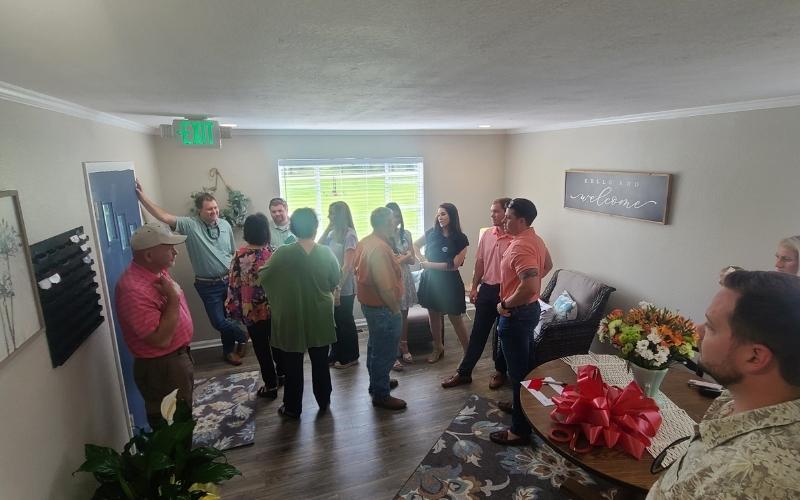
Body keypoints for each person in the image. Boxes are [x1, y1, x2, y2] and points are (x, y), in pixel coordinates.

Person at [647, 270, 800, 499]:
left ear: (755, 357)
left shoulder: (741, 480)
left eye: (711, 327)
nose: (697, 331)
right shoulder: (738, 396)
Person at [135, 180, 248, 366]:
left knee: (229, 319)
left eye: (215, 208)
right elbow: (164, 217)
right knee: (218, 322)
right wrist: (142, 197)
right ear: (199, 211)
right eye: (209, 209)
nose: (214, 211)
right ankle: (243, 336)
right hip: (208, 285)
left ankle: (229, 352)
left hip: (229, 281)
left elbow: (231, 252)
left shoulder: (225, 225)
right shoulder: (190, 225)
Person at [259, 208, 340, 418]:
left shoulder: (283, 253)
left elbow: (264, 276)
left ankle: (293, 407)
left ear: (293, 228)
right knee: (320, 361)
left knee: (292, 364)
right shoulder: (326, 253)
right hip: (320, 313)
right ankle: (324, 400)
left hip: (291, 314)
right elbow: (334, 280)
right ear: (315, 227)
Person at [115, 223, 193, 427]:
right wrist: (174, 299)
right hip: (162, 368)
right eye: (169, 248)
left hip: (174, 360)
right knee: (172, 425)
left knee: (182, 415)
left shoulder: (158, 272)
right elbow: (160, 339)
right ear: (149, 256)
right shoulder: (133, 290)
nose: (175, 252)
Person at [489, 198, 552, 446]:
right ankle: (521, 407)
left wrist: (506, 304)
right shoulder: (535, 239)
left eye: (509, 217)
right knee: (525, 367)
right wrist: (524, 288)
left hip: (516, 314)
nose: (504, 220)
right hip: (529, 310)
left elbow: (530, 286)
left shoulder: (521, 247)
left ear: (522, 221)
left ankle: (519, 431)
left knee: (518, 374)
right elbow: (547, 265)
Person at [442, 198, 512, 390]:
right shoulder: (487, 234)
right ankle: (464, 373)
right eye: (491, 211)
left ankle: (500, 372)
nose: (492, 215)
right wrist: (474, 287)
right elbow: (480, 262)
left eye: (496, 211)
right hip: (487, 289)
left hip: (508, 293)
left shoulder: (517, 238)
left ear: (507, 213)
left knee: (503, 334)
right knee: (478, 334)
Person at [225, 213, 283, 399]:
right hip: (275, 307)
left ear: (247, 232)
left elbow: (233, 284)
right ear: (266, 231)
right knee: (278, 344)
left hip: (252, 310)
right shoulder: (273, 253)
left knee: (261, 348)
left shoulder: (240, 255)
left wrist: (234, 309)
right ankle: (282, 375)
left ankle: (271, 385)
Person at [354, 207, 407, 410]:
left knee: (375, 347)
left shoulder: (366, 242)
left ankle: (377, 383)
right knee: (385, 352)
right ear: (387, 223)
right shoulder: (380, 249)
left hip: (371, 306)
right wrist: (395, 310)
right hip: (383, 308)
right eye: (394, 220)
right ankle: (381, 395)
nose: (396, 224)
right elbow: (385, 287)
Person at [413, 203, 470, 363]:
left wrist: (428, 265)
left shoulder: (461, 238)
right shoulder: (432, 233)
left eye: (443, 214)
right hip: (431, 280)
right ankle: (438, 348)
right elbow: (414, 245)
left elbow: (454, 266)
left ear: (452, 216)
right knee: (433, 315)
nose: (440, 217)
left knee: (455, 318)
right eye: (438, 214)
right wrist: (422, 259)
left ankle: (468, 352)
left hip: (450, 283)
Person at [318, 201, 360, 369]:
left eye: (332, 213)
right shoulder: (331, 233)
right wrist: (328, 227)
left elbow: (347, 266)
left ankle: (351, 356)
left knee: (345, 321)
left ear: (340, 215)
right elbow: (318, 246)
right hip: (331, 284)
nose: (329, 216)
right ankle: (336, 353)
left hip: (344, 286)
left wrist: (338, 287)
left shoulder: (350, 235)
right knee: (334, 322)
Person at [385, 202, 418, 371]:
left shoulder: (406, 234)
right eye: (392, 217)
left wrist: (403, 257)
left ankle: (404, 345)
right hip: (391, 278)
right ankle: (391, 353)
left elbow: (412, 260)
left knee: (404, 314)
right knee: (391, 315)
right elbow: (390, 262)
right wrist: (404, 256)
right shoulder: (383, 236)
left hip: (405, 277)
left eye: (397, 216)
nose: (395, 220)